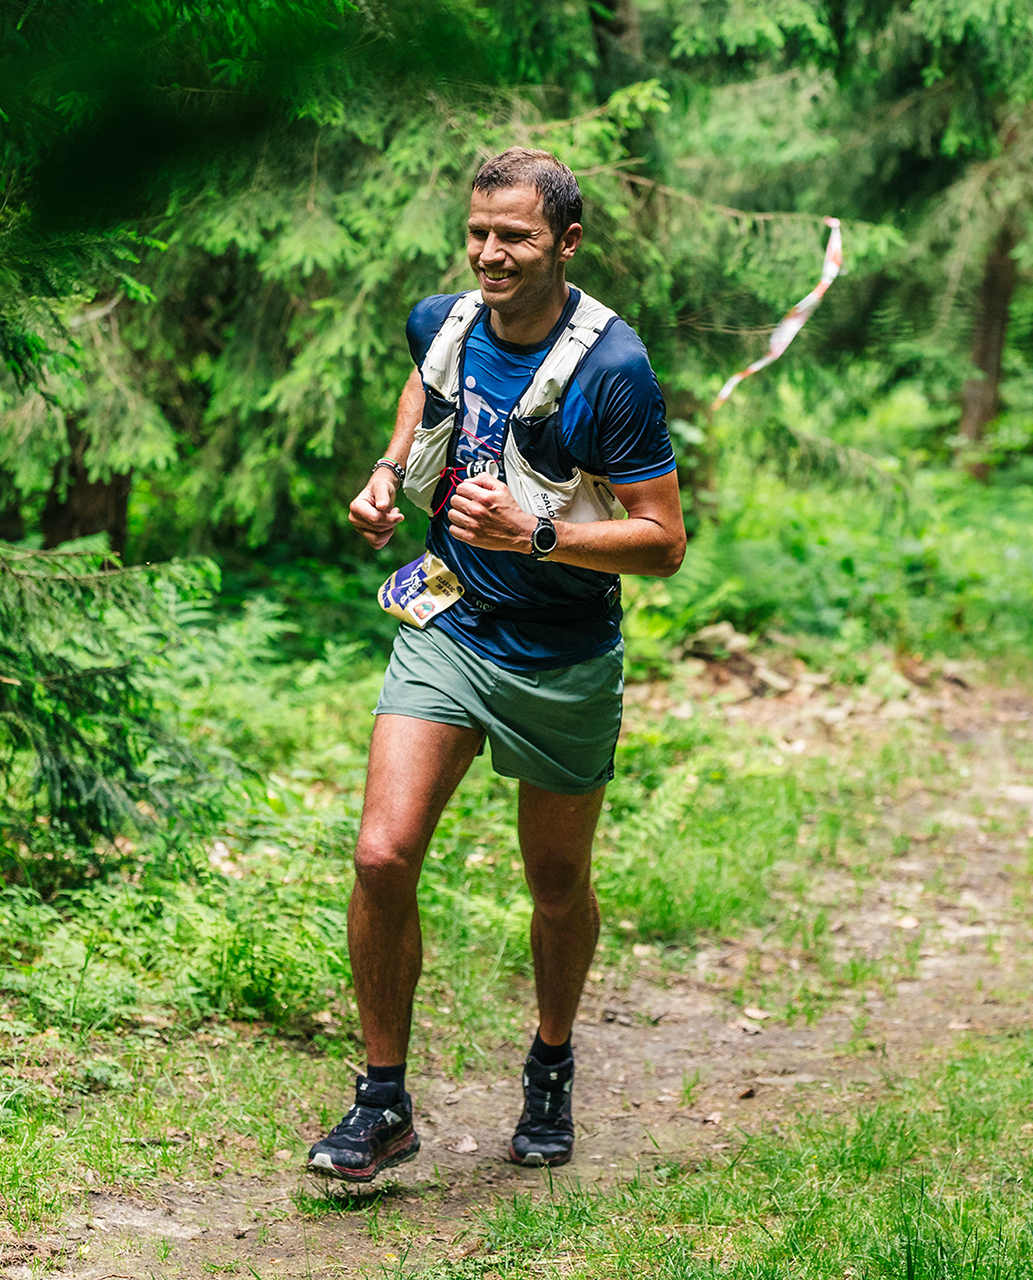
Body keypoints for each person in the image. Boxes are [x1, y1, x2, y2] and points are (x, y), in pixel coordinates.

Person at [307, 148, 685, 1182]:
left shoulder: (611, 371)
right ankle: (382, 1101)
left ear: (567, 242)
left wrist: (537, 534)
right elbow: (424, 386)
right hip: (448, 624)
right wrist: (388, 473)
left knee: (556, 884)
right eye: (478, 232)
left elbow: (663, 542)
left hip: (562, 657)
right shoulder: (445, 322)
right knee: (382, 854)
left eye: (514, 235)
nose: (490, 253)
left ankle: (551, 1063)